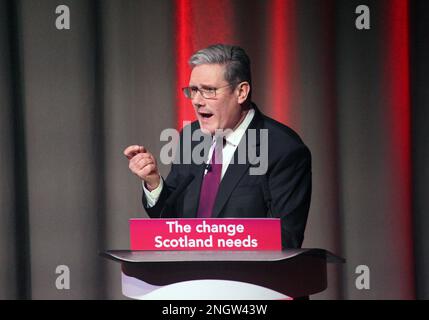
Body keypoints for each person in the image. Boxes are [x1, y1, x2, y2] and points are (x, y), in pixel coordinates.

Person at [124, 44, 311, 249]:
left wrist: (218, 244)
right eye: (193, 90)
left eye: (208, 90)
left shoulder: (283, 148)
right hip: (188, 278)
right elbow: (172, 221)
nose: (196, 101)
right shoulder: (191, 137)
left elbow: (286, 239)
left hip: (246, 279)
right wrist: (153, 183)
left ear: (241, 92)